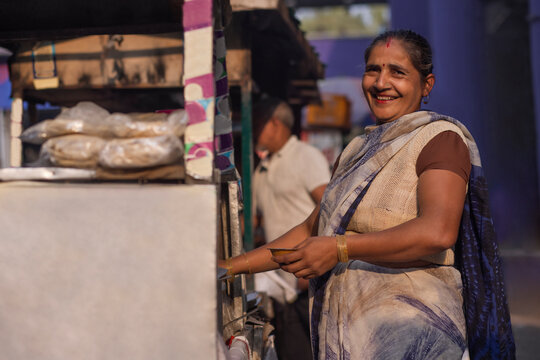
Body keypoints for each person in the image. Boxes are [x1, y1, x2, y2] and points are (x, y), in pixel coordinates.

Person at [221, 30, 515, 359]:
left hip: (414, 337)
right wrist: (230, 267)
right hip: (352, 337)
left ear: (426, 85)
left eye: (397, 72)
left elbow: (437, 231)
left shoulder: (440, 139)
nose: (380, 82)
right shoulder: (356, 150)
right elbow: (311, 228)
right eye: (373, 69)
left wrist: (340, 248)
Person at [251, 97, 330, 360]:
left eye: (258, 123)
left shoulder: (306, 156)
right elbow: (256, 221)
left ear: (275, 124)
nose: (253, 130)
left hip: (310, 281)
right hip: (283, 287)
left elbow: (332, 209)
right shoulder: (262, 168)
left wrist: (313, 266)